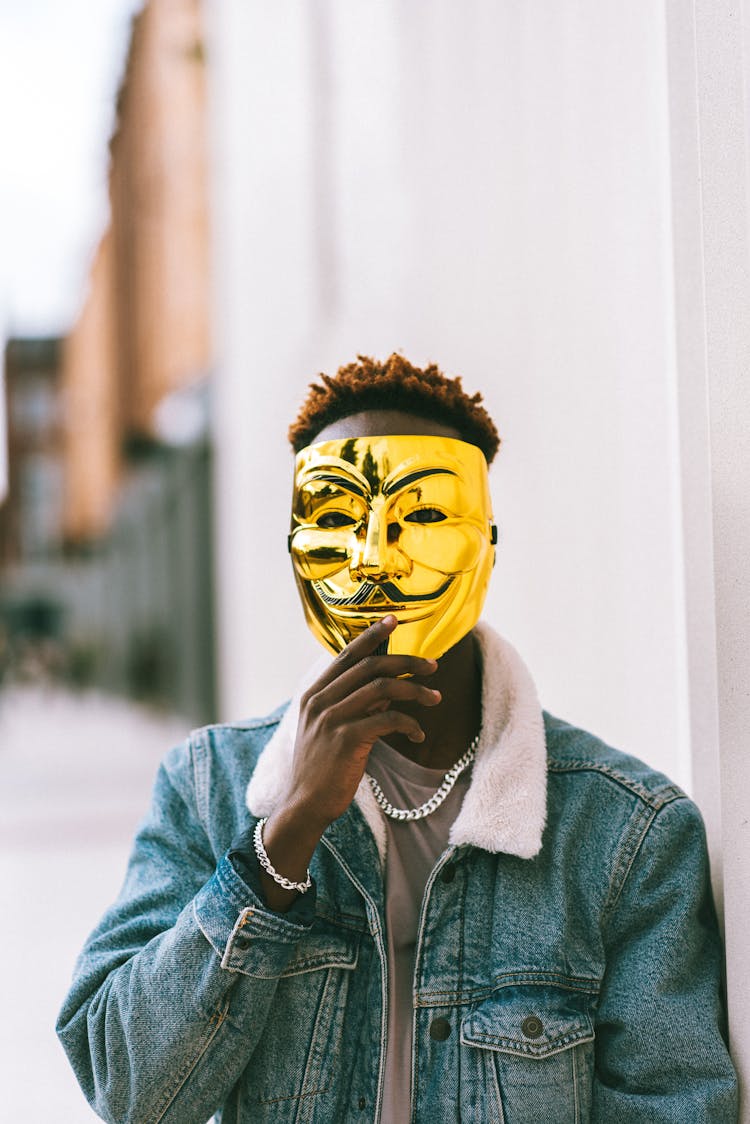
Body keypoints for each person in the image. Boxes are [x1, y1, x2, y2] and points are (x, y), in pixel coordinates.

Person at [58, 355, 738, 1122]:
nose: (375, 557)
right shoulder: (208, 786)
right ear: (292, 546)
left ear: (486, 541)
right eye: (337, 518)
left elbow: (674, 1105)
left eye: (421, 516)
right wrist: (285, 835)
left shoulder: (628, 836)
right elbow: (130, 1090)